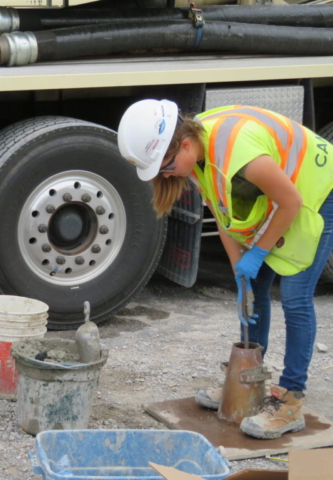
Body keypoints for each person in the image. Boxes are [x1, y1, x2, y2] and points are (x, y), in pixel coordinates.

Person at [117, 100, 333, 439]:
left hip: (318, 189)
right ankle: (249, 384)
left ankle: (291, 401)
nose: (166, 175)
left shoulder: (238, 151)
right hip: (285, 189)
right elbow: (222, 215)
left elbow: (291, 201)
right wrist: (239, 270)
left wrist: (258, 252)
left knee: (295, 295)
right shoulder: (199, 152)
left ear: (184, 144)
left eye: (166, 165)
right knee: (255, 287)